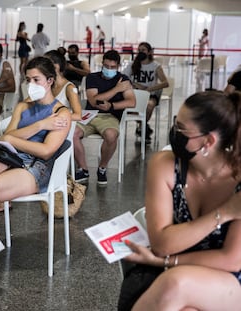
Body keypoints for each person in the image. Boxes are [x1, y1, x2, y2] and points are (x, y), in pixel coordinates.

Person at [118, 91, 241, 311]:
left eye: (182, 129)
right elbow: (162, 243)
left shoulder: (238, 179)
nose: (174, 133)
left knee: (176, 283)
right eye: (176, 123)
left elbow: (231, 259)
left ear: (208, 141)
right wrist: (226, 212)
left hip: (230, 279)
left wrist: (165, 263)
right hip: (182, 270)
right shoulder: (166, 166)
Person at [0, 56, 71, 290]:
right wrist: (39, 126)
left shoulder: (62, 113)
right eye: (28, 79)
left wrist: (14, 138)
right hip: (11, 157)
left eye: (37, 79)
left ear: (50, 81)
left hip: (37, 167)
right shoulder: (22, 107)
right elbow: (7, 138)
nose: (31, 84)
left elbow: (47, 150)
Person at [73, 50, 135, 185]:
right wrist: (116, 90)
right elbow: (93, 100)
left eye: (112, 67)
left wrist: (111, 106)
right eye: (106, 66)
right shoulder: (92, 77)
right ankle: (83, 168)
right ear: (102, 64)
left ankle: (102, 167)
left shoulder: (124, 79)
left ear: (118, 66)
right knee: (72, 133)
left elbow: (131, 102)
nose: (109, 69)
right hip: (89, 115)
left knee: (111, 135)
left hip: (110, 116)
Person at [123, 42, 169, 144]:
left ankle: (141, 127)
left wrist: (149, 88)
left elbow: (165, 83)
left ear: (149, 52)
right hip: (134, 94)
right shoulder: (132, 65)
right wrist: (135, 84)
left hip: (150, 94)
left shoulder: (155, 66)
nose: (140, 52)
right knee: (126, 108)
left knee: (149, 105)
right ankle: (144, 127)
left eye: (143, 50)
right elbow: (123, 78)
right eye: (139, 50)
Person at [44, 50, 82, 121]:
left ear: (57, 66)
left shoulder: (70, 88)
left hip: (62, 126)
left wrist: (55, 117)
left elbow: (78, 116)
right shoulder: (47, 85)